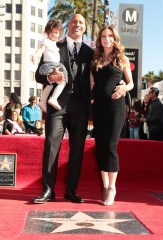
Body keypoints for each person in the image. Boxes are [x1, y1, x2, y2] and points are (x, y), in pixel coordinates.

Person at [32, 14, 94, 204]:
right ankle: (48, 190)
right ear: (68, 26)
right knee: (51, 146)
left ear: (84, 28)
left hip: (80, 109)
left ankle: (71, 190)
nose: (77, 25)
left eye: (81, 23)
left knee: (77, 150)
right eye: (74, 21)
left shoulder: (90, 52)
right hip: (56, 106)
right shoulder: (54, 45)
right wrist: (51, 78)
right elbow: (38, 75)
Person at [90, 25, 134, 206]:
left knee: (110, 145)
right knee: (100, 146)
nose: (106, 39)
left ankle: (112, 188)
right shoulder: (96, 59)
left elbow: (131, 84)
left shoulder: (121, 58)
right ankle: (106, 187)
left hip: (116, 107)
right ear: (99, 40)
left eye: (109, 36)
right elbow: (90, 86)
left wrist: (124, 87)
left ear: (114, 38)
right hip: (98, 107)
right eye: (103, 37)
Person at [31, 19, 68, 112]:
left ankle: (43, 101)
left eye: (56, 32)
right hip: (49, 66)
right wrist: (35, 56)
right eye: (51, 32)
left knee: (50, 84)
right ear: (47, 32)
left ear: (59, 33)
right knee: (62, 81)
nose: (54, 34)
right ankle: (53, 98)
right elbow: (41, 49)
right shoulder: (46, 41)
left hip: (54, 66)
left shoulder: (56, 43)